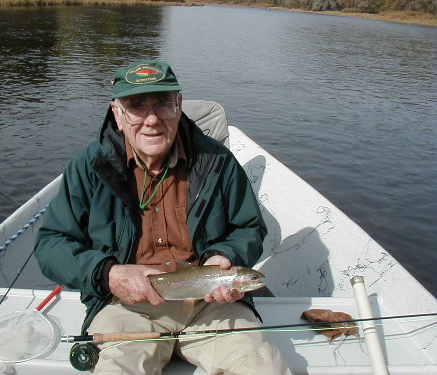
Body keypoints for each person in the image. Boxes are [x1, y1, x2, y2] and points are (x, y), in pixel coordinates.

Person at [34, 60, 290, 374]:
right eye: (137, 106)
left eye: (163, 104)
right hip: (126, 307)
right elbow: (51, 244)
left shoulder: (218, 161)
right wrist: (109, 274)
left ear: (178, 105)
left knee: (264, 368)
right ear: (117, 114)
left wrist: (224, 256)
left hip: (211, 304)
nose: (152, 120)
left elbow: (248, 227)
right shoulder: (88, 168)